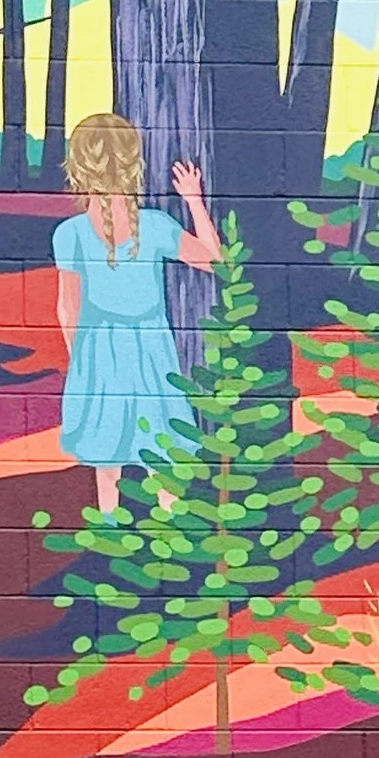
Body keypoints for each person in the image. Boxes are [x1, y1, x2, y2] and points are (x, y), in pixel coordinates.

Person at [52, 112, 223, 512]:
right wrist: (194, 201)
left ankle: (110, 533)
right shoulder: (155, 225)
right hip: (150, 349)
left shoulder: (70, 233)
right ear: (134, 166)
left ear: (77, 168)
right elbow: (217, 260)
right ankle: (170, 532)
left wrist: (81, 362)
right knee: (162, 449)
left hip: (97, 352)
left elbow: (67, 309)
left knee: (107, 459)